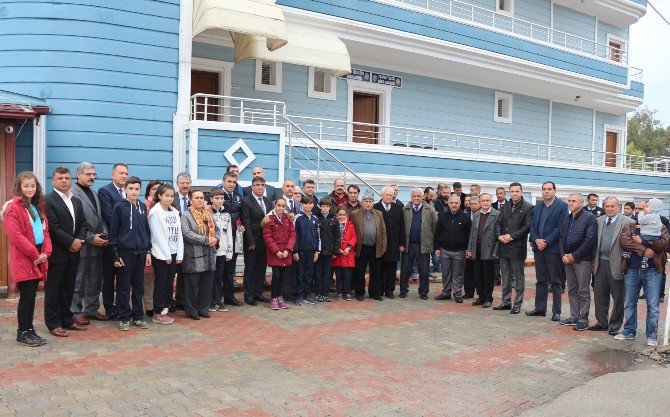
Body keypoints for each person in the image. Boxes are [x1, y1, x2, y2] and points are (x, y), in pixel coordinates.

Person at [2, 171, 52, 346]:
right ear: (19, 188)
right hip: (25, 257)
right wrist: (35, 254)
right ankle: (22, 332)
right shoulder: (12, 208)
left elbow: (45, 232)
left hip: (38, 254)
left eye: (33, 186)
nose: (30, 189)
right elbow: (15, 236)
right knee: (27, 295)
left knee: (32, 296)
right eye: (26, 186)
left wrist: (46, 252)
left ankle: (30, 330)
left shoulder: (37, 206)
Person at [44, 166, 89, 337]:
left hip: (74, 253)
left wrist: (79, 241)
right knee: (54, 289)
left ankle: (67, 319)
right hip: (57, 253)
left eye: (67, 178)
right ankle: (53, 323)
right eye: (60, 178)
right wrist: (71, 242)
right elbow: (53, 227)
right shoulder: (47, 200)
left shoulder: (76, 200)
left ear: (71, 180)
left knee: (68, 288)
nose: (64, 181)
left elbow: (84, 224)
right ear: (53, 181)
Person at [617, 214, 669, 346]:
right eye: (639, 210)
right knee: (630, 302)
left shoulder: (660, 226)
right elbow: (623, 241)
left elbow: (663, 244)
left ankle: (651, 335)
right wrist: (645, 249)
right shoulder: (631, 226)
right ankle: (629, 330)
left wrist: (641, 241)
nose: (641, 213)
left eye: (644, 210)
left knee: (653, 305)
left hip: (652, 271)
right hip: (632, 269)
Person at [109, 176, 152, 331]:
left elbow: (146, 229)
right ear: (126, 189)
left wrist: (148, 250)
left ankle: (138, 316)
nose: (134, 192)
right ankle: (124, 317)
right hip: (124, 253)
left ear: (140, 190)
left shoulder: (142, 206)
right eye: (131, 188)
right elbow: (113, 232)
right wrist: (115, 254)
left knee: (139, 287)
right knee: (123, 286)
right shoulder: (119, 207)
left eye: (137, 189)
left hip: (140, 253)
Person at [70, 162, 109, 322]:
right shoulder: (72, 193)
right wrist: (90, 237)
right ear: (78, 174)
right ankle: (75, 312)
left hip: (98, 246)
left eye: (94, 174)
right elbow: (74, 222)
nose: (92, 177)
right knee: (79, 281)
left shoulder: (94, 193)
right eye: (88, 174)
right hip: (82, 244)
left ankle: (91, 309)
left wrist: (105, 234)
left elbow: (100, 217)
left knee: (95, 279)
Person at [589, 197, 634, 335]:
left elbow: (633, 244)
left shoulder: (628, 222)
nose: (609, 209)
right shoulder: (599, 220)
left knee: (618, 297)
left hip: (618, 265)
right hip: (599, 263)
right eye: (607, 206)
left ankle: (615, 325)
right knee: (600, 296)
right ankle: (602, 322)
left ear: (618, 206)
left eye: (612, 206)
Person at [526, 181, 568, 321]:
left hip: (553, 250)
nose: (546, 191)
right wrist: (536, 239)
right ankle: (540, 308)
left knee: (555, 281)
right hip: (539, 249)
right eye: (544, 189)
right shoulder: (538, 207)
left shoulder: (562, 206)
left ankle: (556, 311)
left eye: (549, 189)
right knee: (541, 280)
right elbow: (532, 225)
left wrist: (547, 241)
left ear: (555, 191)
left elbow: (560, 227)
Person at [558, 193, 597, 331]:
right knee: (572, 289)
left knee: (583, 290)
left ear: (581, 202)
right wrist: (563, 255)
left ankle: (583, 319)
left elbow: (590, 240)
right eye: (569, 201)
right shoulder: (567, 218)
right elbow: (561, 237)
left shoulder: (589, 218)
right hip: (567, 259)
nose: (570, 203)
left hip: (582, 260)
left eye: (573, 201)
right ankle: (574, 316)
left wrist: (574, 256)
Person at [494, 182, 533, 314]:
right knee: (505, 276)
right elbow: (498, 222)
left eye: (517, 191)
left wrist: (511, 236)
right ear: (509, 192)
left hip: (516, 247)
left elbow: (527, 227)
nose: (515, 193)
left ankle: (517, 304)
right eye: (512, 191)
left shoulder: (528, 207)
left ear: (521, 192)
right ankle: (505, 302)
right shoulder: (504, 206)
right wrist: (499, 236)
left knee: (518, 278)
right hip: (503, 247)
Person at [147, 184, 182, 325]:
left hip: (173, 253)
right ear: (159, 196)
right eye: (166, 195)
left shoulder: (174, 211)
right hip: (161, 254)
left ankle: (165, 308)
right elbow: (158, 235)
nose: (169, 198)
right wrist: (167, 255)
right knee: (161, 283)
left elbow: (179, 233)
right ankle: (157, 311)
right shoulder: (155, 212)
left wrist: (179, 254)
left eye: (172, 196)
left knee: (169, 283)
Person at [181, 189, 218, 320]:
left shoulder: (208, 214)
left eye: (201, 197)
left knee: (206, 284)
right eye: (196, 198)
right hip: (193, 255)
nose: (199, 200)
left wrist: (216, 239)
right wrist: (207, 240)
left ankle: (203, 309)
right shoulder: (186, 215)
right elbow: (188, 234)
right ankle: (192, 311)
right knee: (192, 285)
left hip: (208, 254)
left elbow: (216, 229)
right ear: (190, 200)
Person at [98, 162, 128, 319]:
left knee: (123, 277)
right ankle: (109, 308)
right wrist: (129, 226)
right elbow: (109, 215)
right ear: (113, 175)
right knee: (109, 278)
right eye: (121, 173)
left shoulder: (128, 192)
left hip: (126, 244)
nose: (124, 176)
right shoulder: (105, 191)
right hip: (111, 242)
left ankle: (122, 307)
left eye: (126, 174)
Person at [400, 188, 438, 300]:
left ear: (422, 197)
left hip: (424, 245)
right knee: (405, 269)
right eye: (414, 196)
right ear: (411, 197)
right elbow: (402, 228)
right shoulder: (405, 209)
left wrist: (433, 244)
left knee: (424, 270)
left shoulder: (430, 209)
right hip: (408, 244)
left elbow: (435, 227)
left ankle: (423, 292)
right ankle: (403, 290)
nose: (416, 198)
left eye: (418, 196)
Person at [434, 194, 471, 303]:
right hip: (444, 250)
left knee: (458, 273)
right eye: (451, 203)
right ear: (448, 203)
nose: (454, 205)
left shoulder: (466, 218)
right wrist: (436, 248)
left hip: (460, 251)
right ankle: (446, 292)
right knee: (445, 273)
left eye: (456, 203)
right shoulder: (442, 216)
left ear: (460, 204)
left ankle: (457, 293)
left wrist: (468, 249)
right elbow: (437, 234)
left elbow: (469, 235)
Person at [241, 176, 272, 305]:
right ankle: (248, 295)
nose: (260, 187)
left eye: (262, 185)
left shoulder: (268, 201)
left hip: (265, 241)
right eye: (257, 185)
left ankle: (258, 293)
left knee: (261, 268)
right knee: (250, 269)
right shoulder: (246, 201)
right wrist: (251, 242)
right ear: (252, 186)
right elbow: (246, 223)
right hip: (252, 241)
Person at [351, 190, 387, 301]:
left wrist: (383, 248)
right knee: (360, 272)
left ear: (373, 203)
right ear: (362, 202)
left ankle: (374, 293)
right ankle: (360, 293)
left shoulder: (379, 214)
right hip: (361, 248)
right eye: (366, 201)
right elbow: (352, 231)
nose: (368, 203)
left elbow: (383, 232)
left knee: (375, 272)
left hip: (375, 247)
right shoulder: (355, 214)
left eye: (370, 201)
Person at [467, 193, 499, 308]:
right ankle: (480, 297)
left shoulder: (496, 214)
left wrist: (496, 250)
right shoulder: (475, 215)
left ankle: (488, 298)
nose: (485, 203)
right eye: (483, 201)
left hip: (489, 249)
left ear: (491, 202)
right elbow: (472, 233)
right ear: (480, 202)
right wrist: (469, 249)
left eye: (487, 200)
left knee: (488, 276)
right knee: (478, 275)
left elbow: (498, 235)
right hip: (477, 248)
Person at [262, 198, 296, 310]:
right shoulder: (269, 220)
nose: (281, 208)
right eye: (279, 205)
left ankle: (280, 296)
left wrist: (287, 249)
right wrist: (277, 251)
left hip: (286, 253)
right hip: (275, 253)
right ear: (275, 206)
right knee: (276, 275)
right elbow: (268, 237)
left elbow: (292, 235)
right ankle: (273, 298)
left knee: (283, 276)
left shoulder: (288, 219)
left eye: (283, 206)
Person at [374, 187, 406, 299]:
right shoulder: (376, 208)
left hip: (394, 244)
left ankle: (390, 290)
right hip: (380, 244)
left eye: (391, 195)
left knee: (392, 270)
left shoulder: (398, 208)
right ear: (382, 195)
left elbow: (402, 227)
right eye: (387, 194)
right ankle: (380, 290)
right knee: (380, 269)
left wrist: (402, 243)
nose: (389, 197)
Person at [219, 172, 245, 306]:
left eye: (234, 182)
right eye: (229, 181)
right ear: (223, 181)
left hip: (234, 237)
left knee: (230, 268)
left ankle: (229, 296)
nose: (231, 184)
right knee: (220, 269)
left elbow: (240, 215)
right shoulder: (218, 196)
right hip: (220, 238)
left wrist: (241, 225)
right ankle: (217, 298)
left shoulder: (238, 197)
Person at [207, 187, 233, 313]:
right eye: (217, 198)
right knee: (210, 276)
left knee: (219, 276)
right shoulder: (207, 213)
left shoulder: (226, 215)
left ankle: (218, 300)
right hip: (211, 250)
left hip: (222, 251)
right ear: (211, 199)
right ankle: (210, 301)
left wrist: (229, 251)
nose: (219, 201)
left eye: (222, 198)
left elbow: (229, 233)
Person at [170, 171, 192, 311]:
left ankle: (181, 300)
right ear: (177, 184)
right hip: (173, 243)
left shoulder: (194, 198)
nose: (185, 185)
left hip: (189, 243)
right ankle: (169, 301)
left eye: (187, 183)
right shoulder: (172, 198)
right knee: (171, 274)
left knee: (185, 273)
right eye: (182, 183)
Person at [293, 195, 320, 305]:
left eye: (310, 203)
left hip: (311, 251)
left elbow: (318, 236)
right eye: (306, 203)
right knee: (300, 274)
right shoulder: (298, 218)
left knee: (309, 274)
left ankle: (307, 295)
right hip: (301, 251)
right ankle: (299, 296)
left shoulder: (315, 219)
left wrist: (317, 250)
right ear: (302, 205)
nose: (308, 205)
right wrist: (295, 251)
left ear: (313, 205)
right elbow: (295, 235)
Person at [315, 197, 340, 302]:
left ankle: (325, 294)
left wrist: (335, 250)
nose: (325, 208)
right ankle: (318, 293)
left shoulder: (334, 220)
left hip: (329, 251)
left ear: (330, 207)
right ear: (320, 207)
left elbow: (337, 236)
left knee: (327, 273)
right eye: (323, 206)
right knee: (318, 273)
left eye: (327, 206)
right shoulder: (316, 218)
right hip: (318, 251)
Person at [142, 179, 161, 317]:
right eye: (153, 189)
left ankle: (157, 304)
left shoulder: (163, 205)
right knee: (148, 278)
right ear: (149, 190)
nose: (156, 191)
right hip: (147, 245)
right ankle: (148, 306)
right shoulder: (144, 205)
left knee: (157, 277)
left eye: (158, 189)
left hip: (160, 247)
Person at [332, 206, 357, 300]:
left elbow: (354, 237)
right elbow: (332, 237)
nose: (341, 216)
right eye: (340, 215)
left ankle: (347, 292)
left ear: (346, 215)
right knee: (339, 275)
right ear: (336, 215)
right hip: (338, 253)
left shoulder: (350, 225)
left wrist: (349, 247)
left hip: (348, 253)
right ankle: (339, 292)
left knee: (347, 275)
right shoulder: (334, 224)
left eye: (343, 215)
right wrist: (337, 248)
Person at [636, 198, 664, 269]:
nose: (645, 209)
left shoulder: (651, 215)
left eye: (647, 207)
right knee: (648, 249)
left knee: (642, 248)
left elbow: (641, 220)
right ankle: (645, 261)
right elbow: (650, 225)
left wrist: (641, 213)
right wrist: (641, 226)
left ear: (654, 208)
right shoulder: (656, 216)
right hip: (654, 236)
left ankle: (644, 263)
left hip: (648, 236)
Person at [463, 195, 479, 299]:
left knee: (478, 272)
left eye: (474, 204)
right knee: (467, 271)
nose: (472, 205)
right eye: (471, 203)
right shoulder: (465, 214)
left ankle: (480, 293)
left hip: (479, 247)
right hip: (467, 247)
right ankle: (468, 292)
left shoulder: (482, 214)